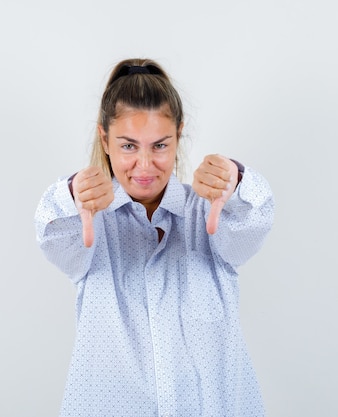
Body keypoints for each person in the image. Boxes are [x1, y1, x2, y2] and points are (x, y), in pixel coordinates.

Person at [34, 58, 274, 417]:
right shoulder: (88, 222)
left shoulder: (210, 212)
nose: (145, 166)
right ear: (105, 139)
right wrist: (72, 194)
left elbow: (253, 222)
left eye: (159, 146)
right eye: (129, 146)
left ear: (178, 134)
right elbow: (54, 234)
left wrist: (235, 180)